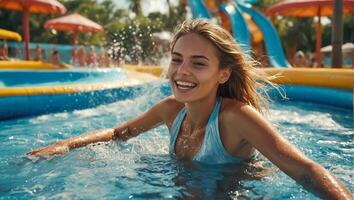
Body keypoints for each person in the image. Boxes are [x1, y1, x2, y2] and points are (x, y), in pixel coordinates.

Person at [28, 19, 352, 199]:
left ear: (222, 74)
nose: (182, 72)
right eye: (177, 59)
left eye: (198, 63)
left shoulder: (236, 118)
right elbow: (118, 133)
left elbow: (304, 170)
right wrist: (65, 145)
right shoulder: (171, 110)